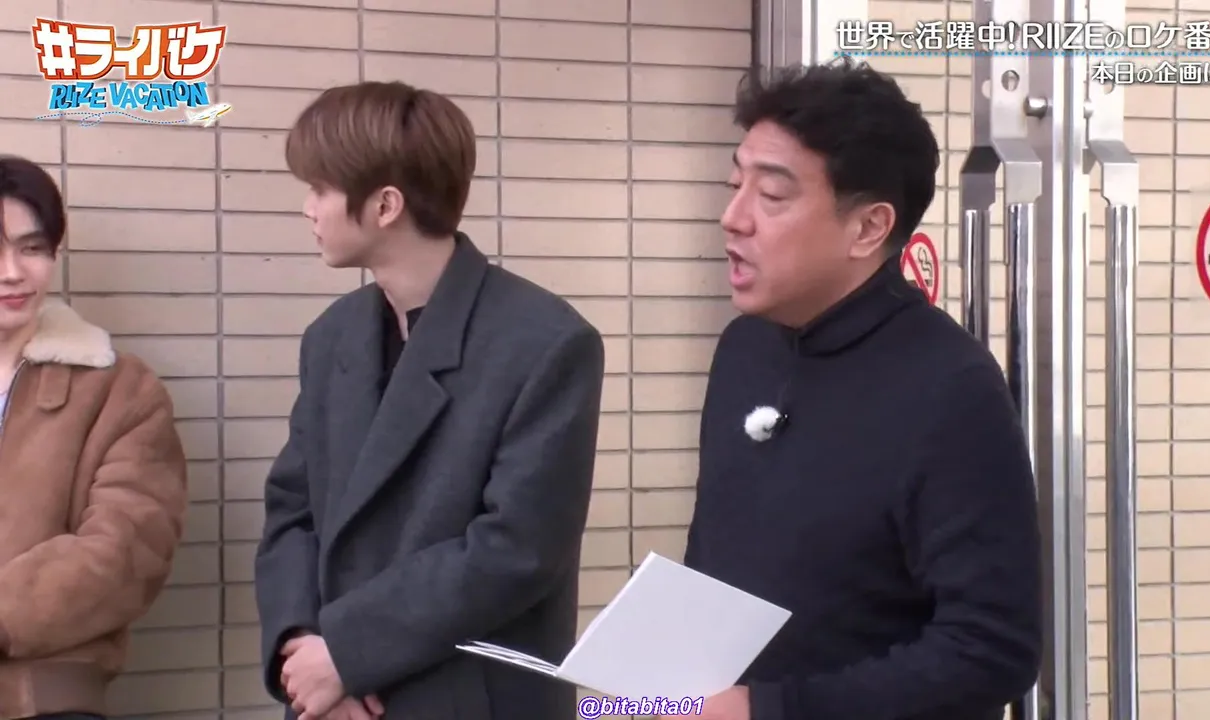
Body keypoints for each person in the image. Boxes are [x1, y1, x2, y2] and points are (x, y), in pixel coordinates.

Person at [665, 61, 1042, 720]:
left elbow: (990, 649)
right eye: (734, 184)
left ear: (868, 228)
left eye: (771, 196)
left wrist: (771, 710)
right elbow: (718, 568)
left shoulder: (950, 388)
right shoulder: (744, 349)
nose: (733, 218)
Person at [253, 81, 606, 720]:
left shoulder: (545, 342)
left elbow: (516, 547)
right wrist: (302, 650)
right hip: (331, 697)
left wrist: (348, 653)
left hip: (467, 697)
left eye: (320, 189)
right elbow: (291, 511)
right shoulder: (331, 337)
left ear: (385, 205)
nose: (308, 209)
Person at [0, 155, 188, 720]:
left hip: (43, 694)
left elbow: (128, 547)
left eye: (33, 248)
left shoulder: (121, 390)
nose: (12, 271)